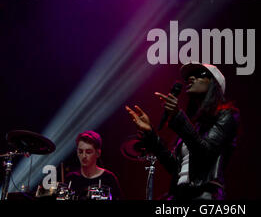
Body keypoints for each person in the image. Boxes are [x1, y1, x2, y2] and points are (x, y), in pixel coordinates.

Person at [126, 62, 240, 200]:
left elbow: (205, 153)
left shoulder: (227, 115)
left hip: (204, 195)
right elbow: (174, 167)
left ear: (214, 83)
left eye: (199, 74)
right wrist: (150, 133)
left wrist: (177, 115)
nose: (191, 78)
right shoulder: (193, 125)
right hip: (180, 194)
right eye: (189, 77)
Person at [65, 130, 124, 200]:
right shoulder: (71, 178)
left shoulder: (109, 178)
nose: (83, 156)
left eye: (88, 152)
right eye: (80, 151)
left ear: (98, 153)